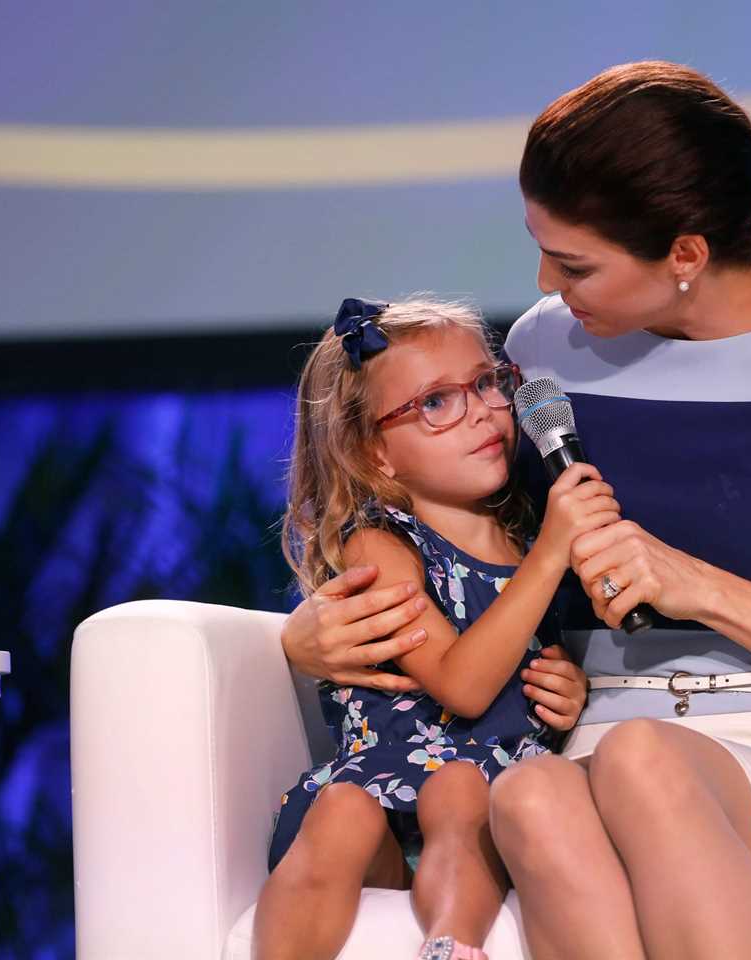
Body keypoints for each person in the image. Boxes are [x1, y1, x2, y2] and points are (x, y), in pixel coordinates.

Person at [281, 61, 751, 960]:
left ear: (686, 256)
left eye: (576, 262)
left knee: (640, 757)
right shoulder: (549, 351)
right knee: (528, 797)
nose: (545, 280)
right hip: (578, 749)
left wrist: (696, 585)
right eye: (541, 246)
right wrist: (314, 635)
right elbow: (473, 544)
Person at [255, 297, 605, 960]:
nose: (480, 411)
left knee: (460, 790)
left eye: (484, 383)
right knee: (345, 809)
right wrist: (556, 548)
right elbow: (463, 686)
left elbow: (521, 672)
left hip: (489, 802)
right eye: (436, 403)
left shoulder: (528, 542)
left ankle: (449, 946)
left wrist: (566, 691)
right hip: (380, 804)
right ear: (375, 454)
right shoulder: (383, 547)